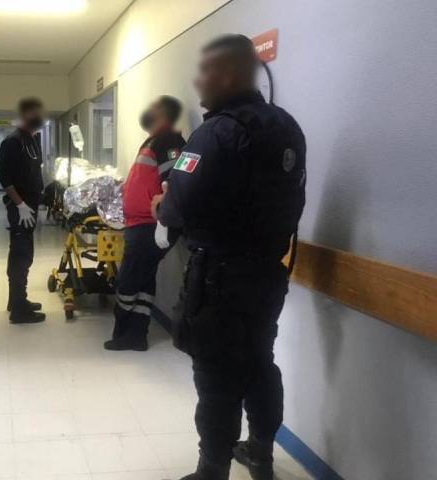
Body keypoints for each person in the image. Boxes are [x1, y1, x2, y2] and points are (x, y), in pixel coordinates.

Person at [152, 34, 306, 480]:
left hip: (218, 278)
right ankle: (260, 453)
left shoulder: (215, 133)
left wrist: (162, 204)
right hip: (267, 274)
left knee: (216, 376)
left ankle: (212, 469)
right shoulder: (287, 127)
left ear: (229, 73)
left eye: (205, 71)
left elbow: (177, 207)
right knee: (259, 362)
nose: (198, 81)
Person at [104, 96, 186, 351]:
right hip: (141, 224)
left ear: (163, 114)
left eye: (153, 107)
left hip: (150, 226)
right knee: (143, 279)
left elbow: (172, 183)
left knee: (128, 280)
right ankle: (137, 335)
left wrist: (164, 222)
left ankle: (124, 332)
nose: (147, 110)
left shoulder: (169, 141)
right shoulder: (153, 140)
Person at [0, 97, 47, 324]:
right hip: (20, 207)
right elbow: (4, 177)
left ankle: (16, 299)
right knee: (21, 254)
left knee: (24, 252)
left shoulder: (32, 140)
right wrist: (20, 204)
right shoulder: (13, 142)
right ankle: (18, 310)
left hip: (31, 205)